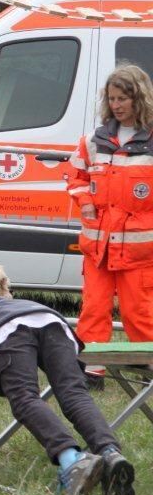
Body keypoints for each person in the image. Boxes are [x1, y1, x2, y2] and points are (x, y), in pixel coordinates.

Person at [0, 263, 135, 495]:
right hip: (51, 319)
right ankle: (111, 453)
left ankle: (72, 461)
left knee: (25, 398)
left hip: (9, 329)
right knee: (74, 394)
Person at [68, 64, 153, 343]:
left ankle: (147, 367)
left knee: (138, 312)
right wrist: (85, 201)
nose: (115, 105)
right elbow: (75, 175)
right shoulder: (94, 140)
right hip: (99, 247)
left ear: (138, 99)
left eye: (122, 99)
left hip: (139, 251)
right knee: (93, 309)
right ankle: (91, 372)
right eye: (111, 99)